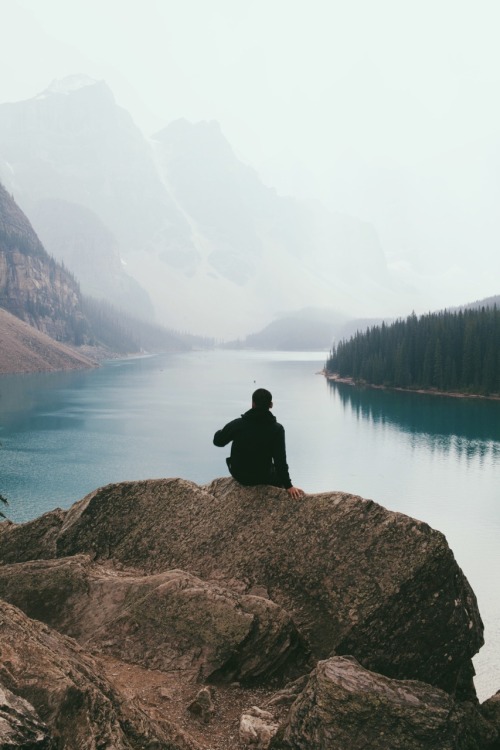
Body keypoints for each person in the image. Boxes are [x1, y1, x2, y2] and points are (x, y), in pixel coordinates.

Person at [213, 388, 305, 498]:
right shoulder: (277, 429)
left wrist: (222, 431)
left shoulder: (238, 424)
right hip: (263, 477)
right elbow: (280, 460)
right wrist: (288, 485)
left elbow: (218, 441)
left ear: (253, 404)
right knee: (276, 473)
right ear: (271, 405)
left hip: (240, 475)